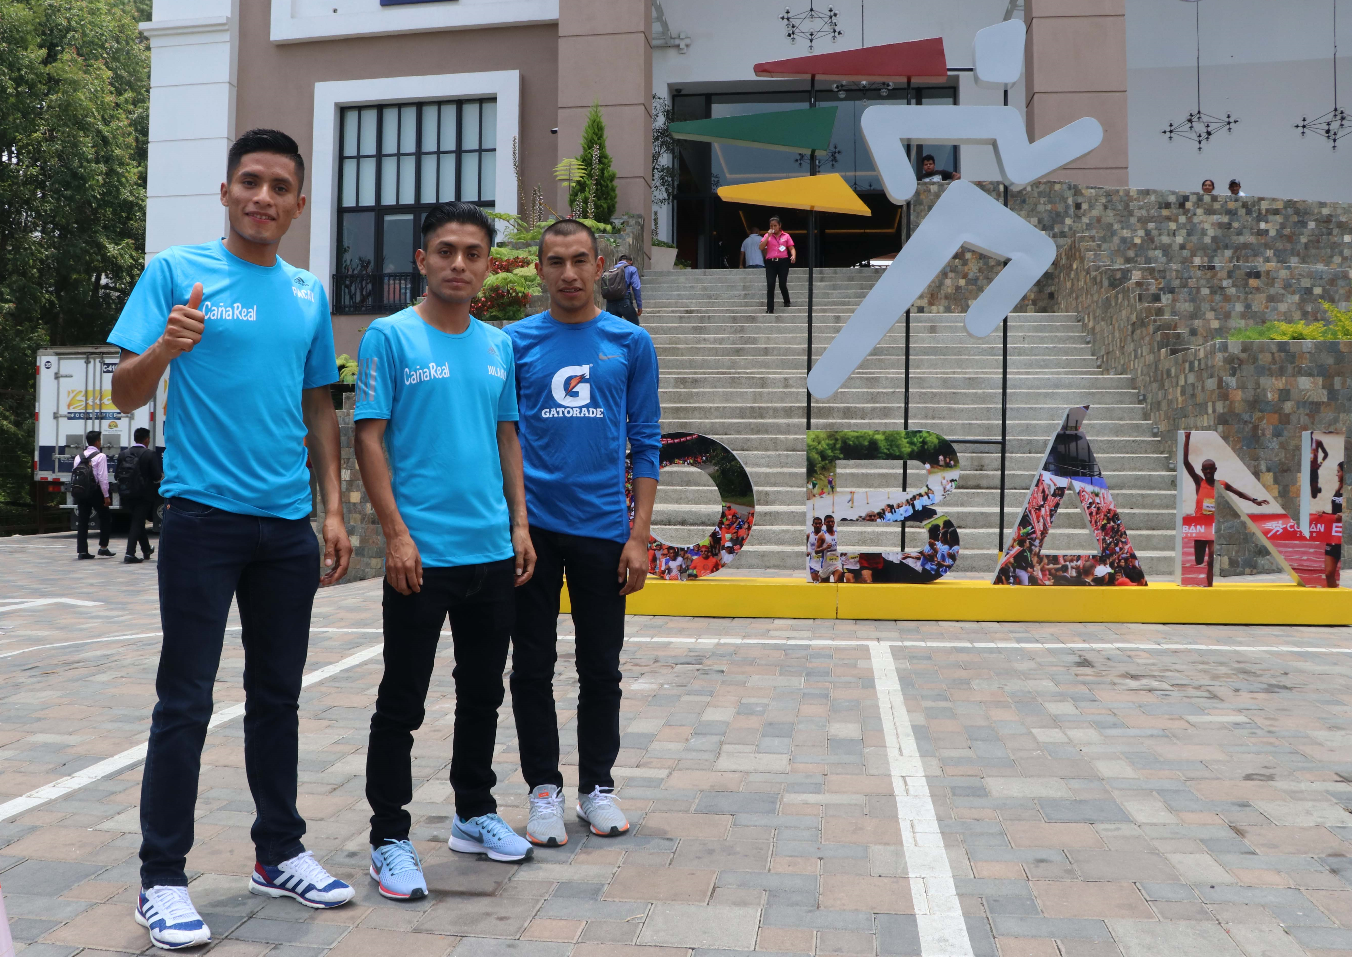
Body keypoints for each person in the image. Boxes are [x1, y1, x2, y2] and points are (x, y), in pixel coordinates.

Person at [109, 128, 354, 950]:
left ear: (297, 202)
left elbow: (320, 404)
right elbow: (120, 391)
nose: (262, 197)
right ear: (225, 192)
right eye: (249, 181)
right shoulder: (179, 272)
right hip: (201, 520)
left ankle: (278, 851)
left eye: (279, 186)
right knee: (184, 700)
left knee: (276, 700)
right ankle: (162, 878)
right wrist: (164, 348)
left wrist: (332, 509)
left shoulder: (306, 293)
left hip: (286, 526)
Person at [354, 201, 537, 900]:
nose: (459, 263)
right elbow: (369, 436)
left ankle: (474, 811)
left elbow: (507, 438)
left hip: (491, 552)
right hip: (420, 557)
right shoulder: (389, 337)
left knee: (483, 694)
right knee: (401, 700)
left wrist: (519, 525)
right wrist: (396, 534)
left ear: (487, 265)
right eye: (445, 251)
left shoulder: (499, 345)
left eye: (472, 252)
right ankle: (389, 838)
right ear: (422, 260)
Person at [506, 219, 661, 847]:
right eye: (555, 262)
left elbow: (645, 440)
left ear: (600, 266)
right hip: (533, 531)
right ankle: (544, 789)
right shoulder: (512, 342)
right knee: (531, 668)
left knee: (601, 668)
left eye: (579, 261)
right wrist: (514, 521)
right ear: (539, 269)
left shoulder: (631, 343)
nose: (568, 273)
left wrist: (639, 535)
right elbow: (504, 435)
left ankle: (597, 786)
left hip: (604, 531)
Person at [1182, 431, 1269, 586]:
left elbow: (1238, 492)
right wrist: (1187, 438)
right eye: (1205, 469)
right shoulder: (1199, 482)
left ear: (1215, 469)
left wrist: (1254, 500)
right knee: (1199, 560)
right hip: (1201, 525)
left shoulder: (1222, 484)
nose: (1208, 471)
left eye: (1211, 469)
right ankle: (1206, 577)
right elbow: (1186, 463)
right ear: (1202, 471)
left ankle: (1209, 586)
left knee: (1210, 559)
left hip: (1214, 526)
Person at [120, 427, 161, 564]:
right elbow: (156, 476)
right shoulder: (149, 454)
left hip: (126, 494)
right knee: (137, 522)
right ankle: (129, 554)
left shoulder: (123, 454)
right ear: (147, 439)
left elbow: (116, 475)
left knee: (138, 521)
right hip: (144, 495)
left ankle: (146, 550)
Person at [72, 430, 113, 560]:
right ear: (97, 442)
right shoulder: (100, 456)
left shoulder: (78, 457)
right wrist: (106, 496)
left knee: (83, 521)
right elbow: (102, 478)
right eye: (100, 440)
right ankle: (103, 547)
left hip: (81, 491)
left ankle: (82, 551)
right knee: (105, 517)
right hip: (96, 492)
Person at [759, 216, 794, 314]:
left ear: (779, 226)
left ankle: (786, 300)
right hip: (771, 262)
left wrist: (793, 256)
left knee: (782, 283)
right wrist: (768, 237)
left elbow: (791, 248)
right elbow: (761, 247)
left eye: (775, 225)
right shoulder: (767, 236)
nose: (773, 228)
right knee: (770, 284)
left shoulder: (786, 236)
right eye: (771, 226)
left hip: (783, 262)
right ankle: (770, 308)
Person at [601, 253, 643, 324]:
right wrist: (639, 305)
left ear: (619, 262)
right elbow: (636, 287)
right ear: (630, 262)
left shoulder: (612, 269)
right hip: (624, 300)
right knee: (634, 326)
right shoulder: (632, 269)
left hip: (610, 302)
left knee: (613, 328)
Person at [1327, 461, 1344, 589]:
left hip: (1345, 536)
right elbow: (1333, 513)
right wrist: (1324, 514)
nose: (1336, 474)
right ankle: (1334, 598)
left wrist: (1345, 515)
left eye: (1338, 471)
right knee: (1329, 573)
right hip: (1333, 535)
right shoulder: (1337, 490)